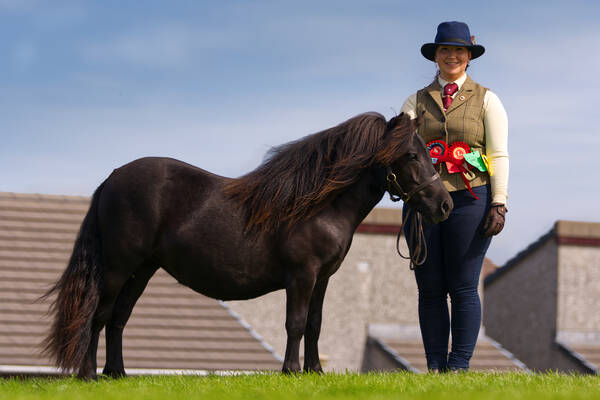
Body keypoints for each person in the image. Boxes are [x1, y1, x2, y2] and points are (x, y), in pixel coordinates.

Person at [400, 21, 509, 372]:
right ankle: (435, 366)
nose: (452, 56)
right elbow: (400, 150)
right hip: (423, 204)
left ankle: (458, 366)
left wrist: (499, 201)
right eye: (445, 50)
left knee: (463, 287)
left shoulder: (488, 99)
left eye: (458, 51)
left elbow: (499, 154)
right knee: (430, 289)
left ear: (468, 57)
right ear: (435, 56)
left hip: (471, 199)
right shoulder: (415, 101)